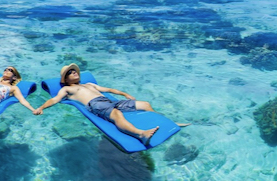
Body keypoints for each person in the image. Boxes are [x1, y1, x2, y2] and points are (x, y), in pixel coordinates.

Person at [33, 63, 189, 146]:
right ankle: (140, 134)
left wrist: (124, 94)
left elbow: (108, 89)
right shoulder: (67, 89)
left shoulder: (89, 84)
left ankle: (165, 122)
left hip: (110, 101)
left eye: (74, 71)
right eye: (70, 72)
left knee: (145, 104)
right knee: (116, 114)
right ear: (65, 79)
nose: (74, 73)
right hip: (95, 105)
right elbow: (54, 99)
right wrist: (41, 107)